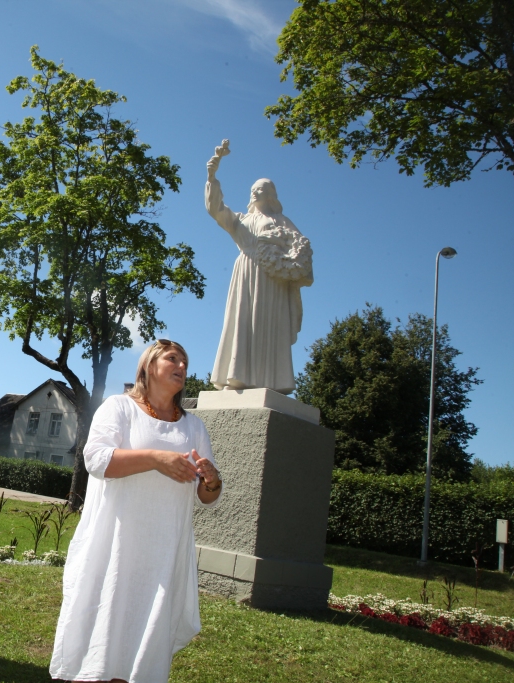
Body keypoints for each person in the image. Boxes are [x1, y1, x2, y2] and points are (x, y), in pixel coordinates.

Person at [50, 340, 223, 683]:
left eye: (185, 362)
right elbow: (97, 460)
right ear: (148, 365)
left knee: (143, 637)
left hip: (162, 553)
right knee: (103, 630)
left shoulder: (194, 427)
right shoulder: (118, 408)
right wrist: (155, 459)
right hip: (115, 543)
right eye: (173, 358)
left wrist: (213, 480)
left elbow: (207, 496)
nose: (182, 367)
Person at [205, 139, 313, 395]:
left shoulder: (283, 221)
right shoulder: (242, 220)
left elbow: (300, 248)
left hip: (273, 279)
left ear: (271, 194)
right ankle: (238, 375)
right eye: (253, 188)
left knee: (270, 325)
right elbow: (216, 209)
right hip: (246, 271)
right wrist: (212, 175)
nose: (255, 191)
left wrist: (291, 267)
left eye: (261, 188)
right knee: (243, 321)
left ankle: (273, 380)